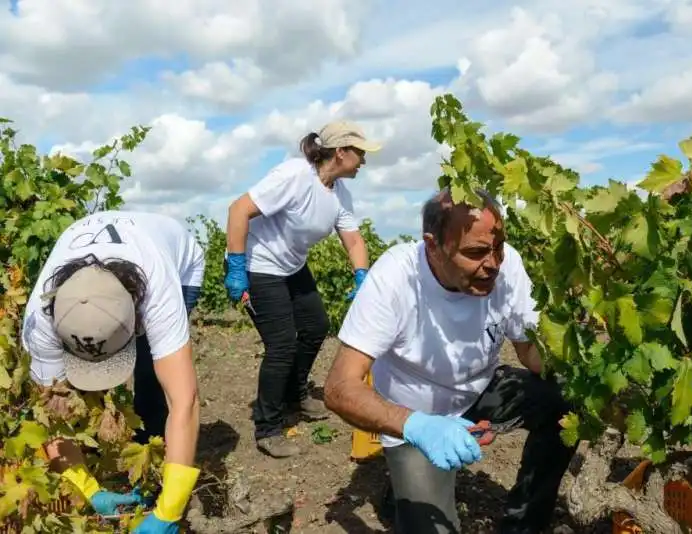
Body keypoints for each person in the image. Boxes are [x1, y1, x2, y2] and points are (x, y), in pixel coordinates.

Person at [323, 188, 577, 534]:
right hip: (416, 416)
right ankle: (403, 482)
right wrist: (418, 426)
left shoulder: (505, 264)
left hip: (479, 388)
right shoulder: (396, 278)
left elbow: (530, 353)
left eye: (498, 247)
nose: (492, 264)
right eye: (474, 253)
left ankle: (525, 525)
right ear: (433, 245)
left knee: (564, 399)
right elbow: (339, 388)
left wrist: (579, 359)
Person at [21, 210, 206, 533]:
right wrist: (86, 490)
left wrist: (169, 513)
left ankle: (160, 468)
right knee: (64, 399)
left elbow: (185, 401)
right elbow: (52, 416)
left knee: (153, 379)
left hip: (181, 263)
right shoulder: (41, 317)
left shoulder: (158, 289)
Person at [224, 119, 381, 458]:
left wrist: (361, 275)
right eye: (360, 153)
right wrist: (236, 267)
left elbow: (352, 239)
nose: (364, 161)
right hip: (259, 266)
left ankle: (295, 394)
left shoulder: (340, 193)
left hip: (292, 267)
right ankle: (268, 427)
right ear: (340, 152)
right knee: (280, 345)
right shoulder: (295, 175)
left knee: (315, 327)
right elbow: (238, 210)